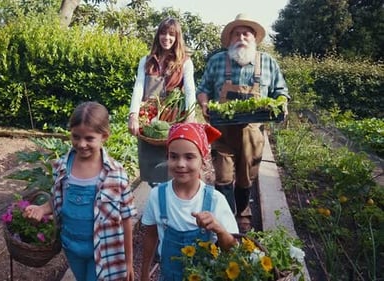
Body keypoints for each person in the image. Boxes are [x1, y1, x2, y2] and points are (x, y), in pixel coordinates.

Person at [196, 13, 290, 233]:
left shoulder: (267, 62)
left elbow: (281, 91)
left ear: (254, 38)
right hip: (222, 131)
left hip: (253, 132)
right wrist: (203, 104)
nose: (241, 37)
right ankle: (226, 218)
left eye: (246, 33)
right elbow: (203, 90)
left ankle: (243, 212)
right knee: (223, 176)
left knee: (246, 176)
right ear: (230, 39)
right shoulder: (218, 61)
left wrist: (282, 103)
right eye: (236, 33)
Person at [24, 101, 137, 281]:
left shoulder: (116, 173)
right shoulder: (62, 166)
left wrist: (128, 261)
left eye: (89, 138)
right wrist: (41, 209)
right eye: (76, 136)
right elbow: (58, 199)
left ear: (104, 136)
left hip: (102, 250)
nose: (81, 144)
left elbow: (126, 218)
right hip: (71, 246)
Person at [140, 123, 239, 281]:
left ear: (203, 160)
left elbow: (233, 248)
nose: (180, 163)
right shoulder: (157, 196)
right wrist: (144, 273)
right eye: (174, 156)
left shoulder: (215, 200)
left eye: (189, 157)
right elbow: (151, 236)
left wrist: (219, 229)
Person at [128, 17, 196, 136]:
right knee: (147, 152)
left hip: (172, 118)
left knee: (172, 152)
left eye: (171, 34)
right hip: (148, 118)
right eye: (163, 33)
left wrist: (190, 117)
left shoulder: (185, 62)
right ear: (158, 36)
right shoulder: (146, 61)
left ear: (177, 38)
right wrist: (133, 115)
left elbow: (190, 91)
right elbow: (138, 88)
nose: (167, 38)